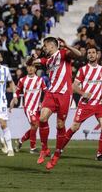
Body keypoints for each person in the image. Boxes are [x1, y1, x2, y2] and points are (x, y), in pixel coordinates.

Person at [29, 37, 82, 169]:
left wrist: (67, 46)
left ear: (52, 46)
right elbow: (32, 63)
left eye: (45, 46)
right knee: (42, 118)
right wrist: (34, 57)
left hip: (64, 94)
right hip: (51, 93)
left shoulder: (63, 54)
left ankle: (57, 153)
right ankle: (45, 149)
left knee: (60, 125)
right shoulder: (48, 61)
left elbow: (79, 54)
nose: (44, 48)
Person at [61, 46, 102, 166]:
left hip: (99, 103)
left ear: (97, 55)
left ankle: (99, 155)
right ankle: (59, 149)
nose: (91, 55)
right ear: (87, 55)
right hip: (86, 104)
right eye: (89, 53)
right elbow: (74, 86)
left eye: (93, 52)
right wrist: (83, 93)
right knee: (74, 128)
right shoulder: (83, 70)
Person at [9, 62, 46, 154]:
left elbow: (46, 92)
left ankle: (20, 141)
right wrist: (13, 101)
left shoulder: (40, 80)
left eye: (32, 67)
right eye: (29, 66)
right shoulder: (22, 80)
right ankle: (32, 148)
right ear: (26, 68)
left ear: (35, 69)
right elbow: (17, 92)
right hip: (28, 107)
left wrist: (44, 103)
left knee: (35, 126)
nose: (30, 68)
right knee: (34, 124)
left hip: (38, 108)